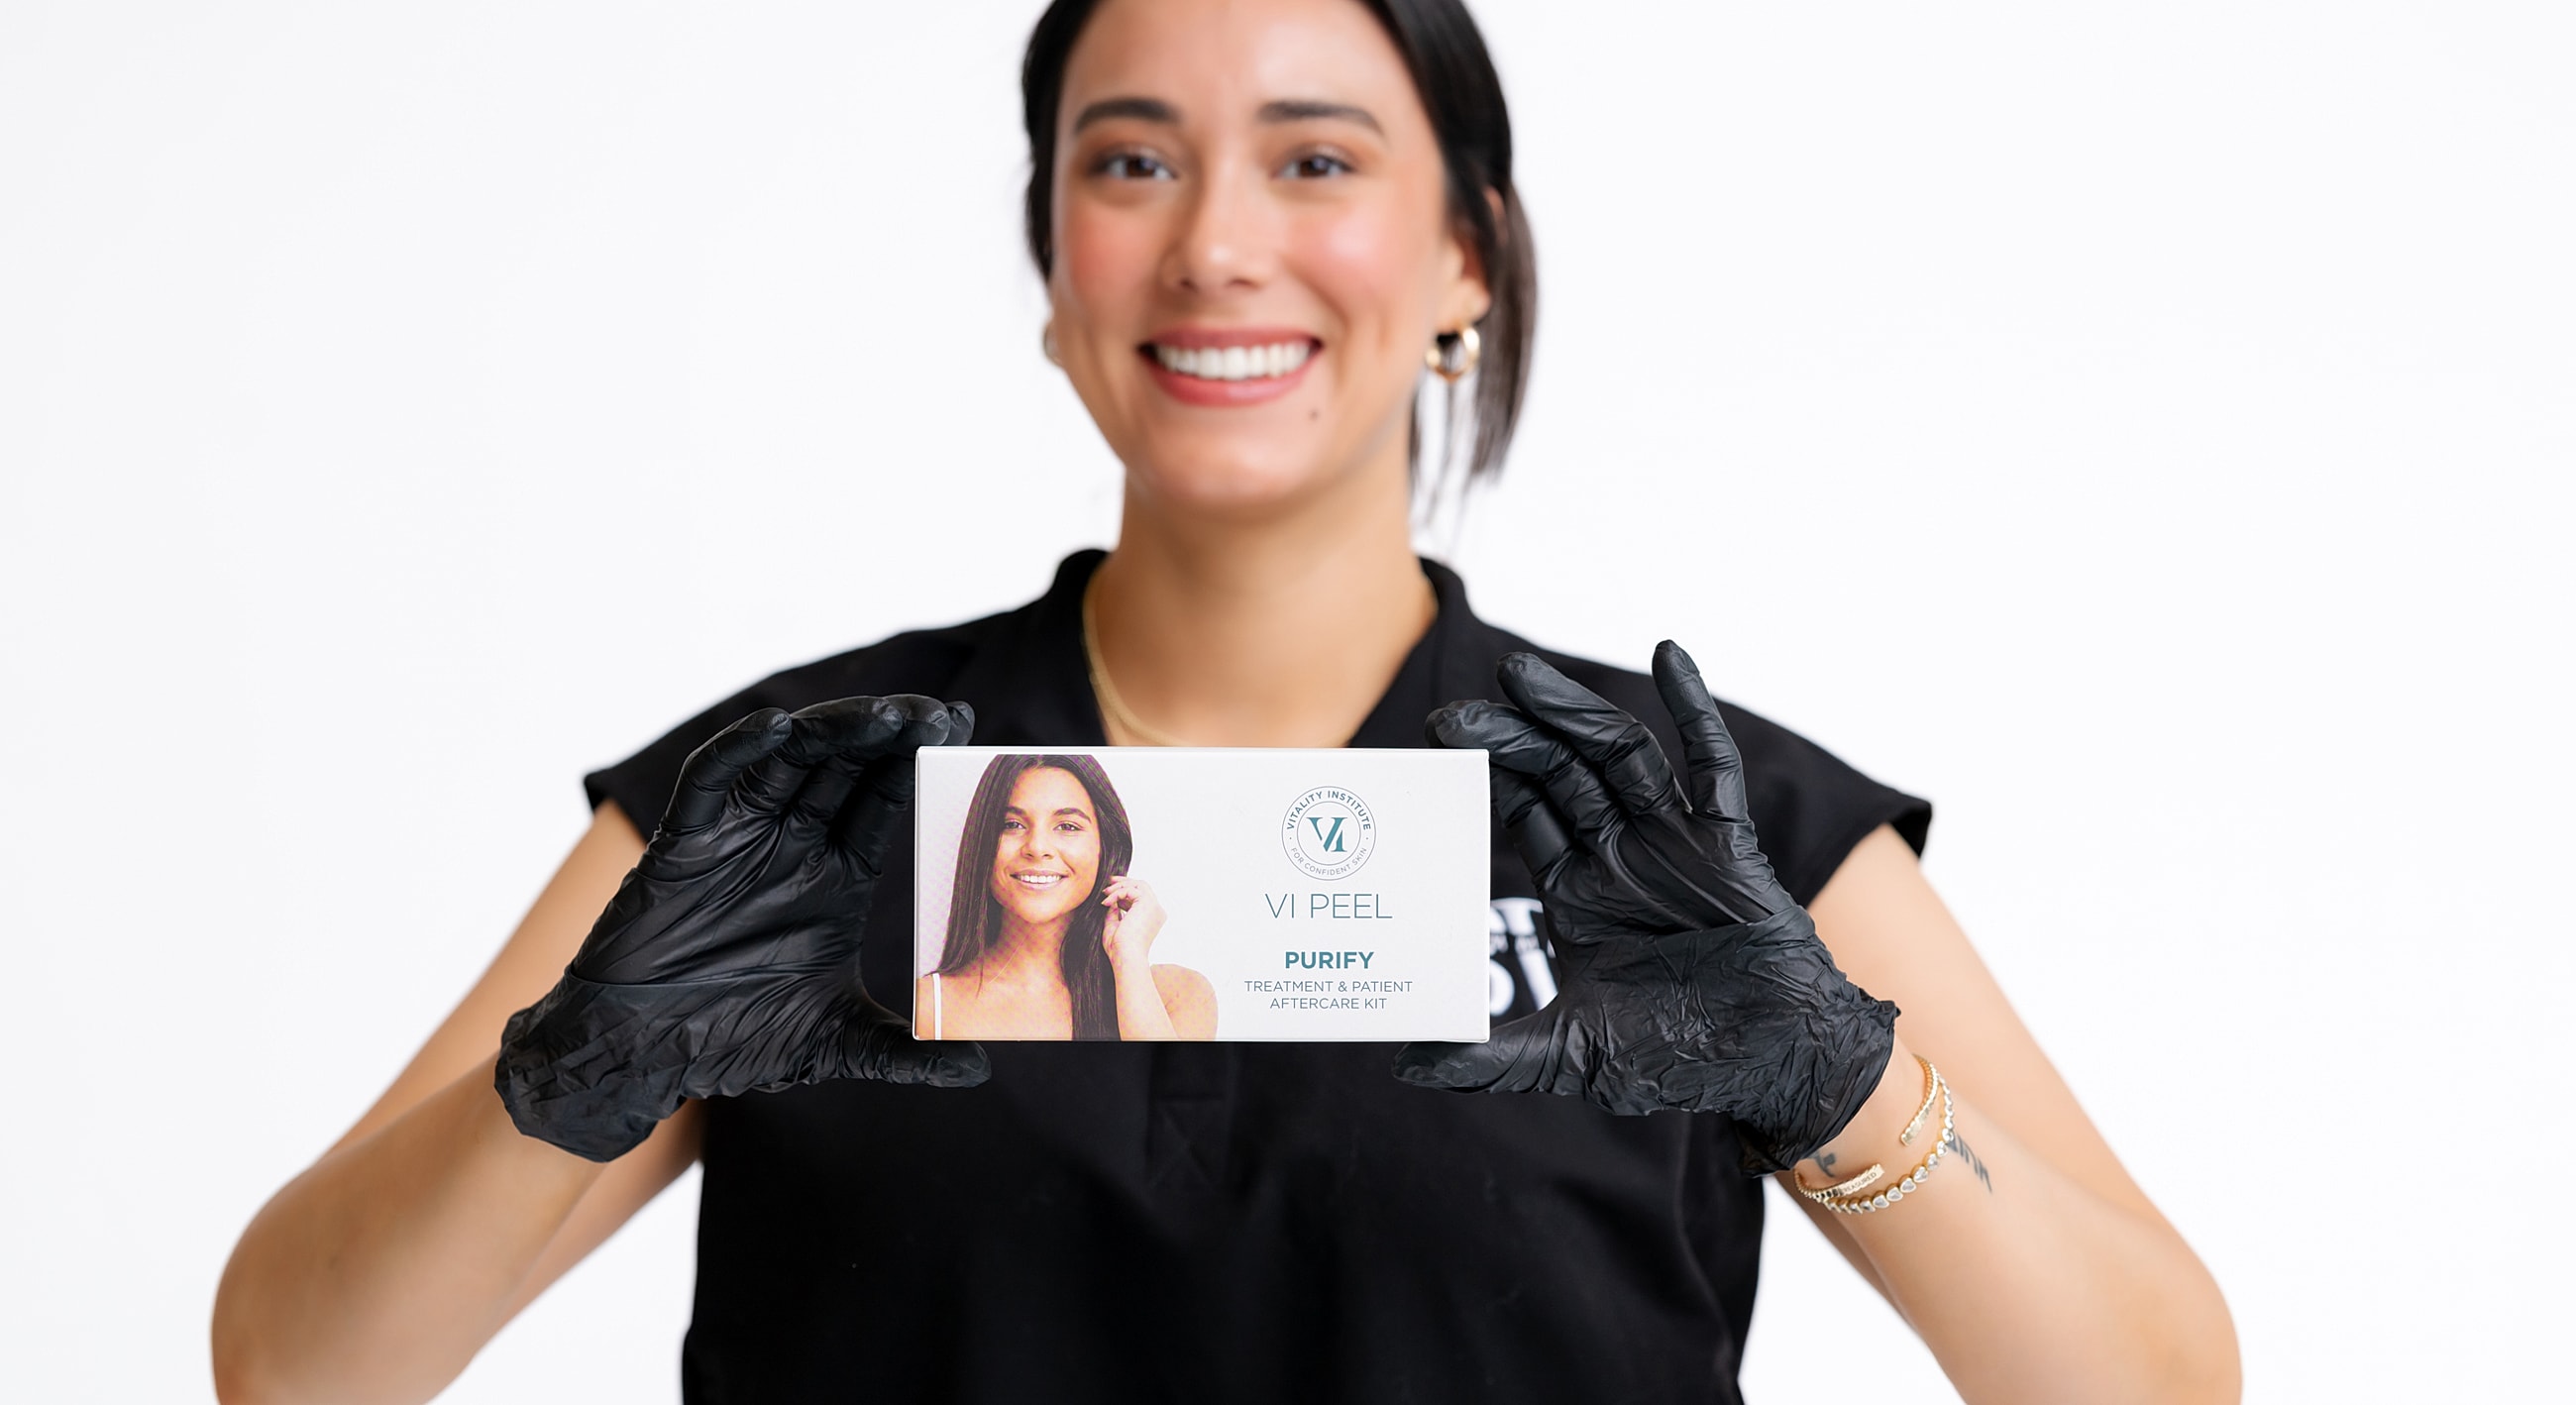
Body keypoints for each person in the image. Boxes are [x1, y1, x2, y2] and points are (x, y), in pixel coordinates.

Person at [210, 1, 2240, 1402]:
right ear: (1054, 263)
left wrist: (1843, 1083)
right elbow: (288, 1366)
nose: (1216, 244)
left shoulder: (1694, 830)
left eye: (1314, 157)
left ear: (1467, 260)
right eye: (1131, 162)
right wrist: (567, 1078)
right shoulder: (793, 808)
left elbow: (2163, 1381)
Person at [920, 751, 1216, 1041]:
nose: (1037, 847)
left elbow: (1159, 1073)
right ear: (982, 842)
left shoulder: (1179, 996)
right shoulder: (929, 1005)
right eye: (1011, 825)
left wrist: (1129, 957)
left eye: (1067, 826)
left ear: (1105, 848)